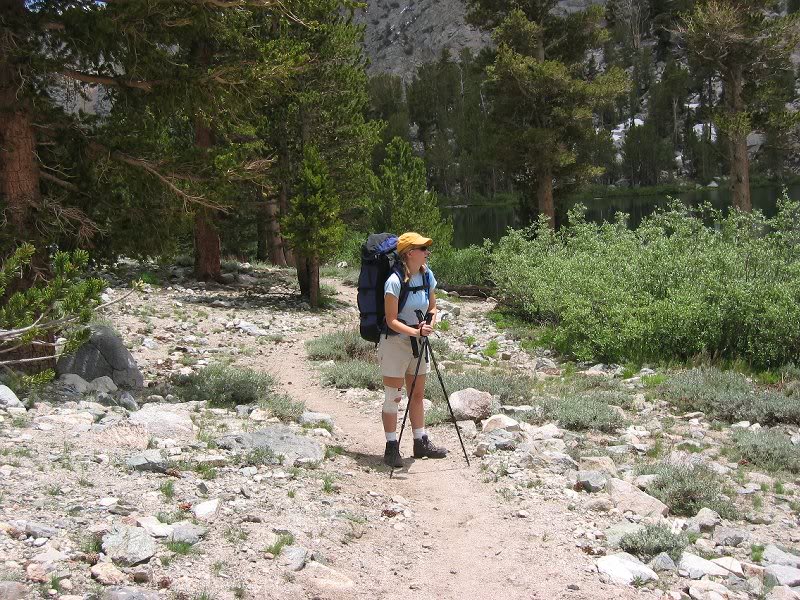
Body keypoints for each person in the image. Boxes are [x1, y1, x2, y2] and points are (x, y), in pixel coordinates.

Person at [379, 231, 448, 467]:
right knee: (394, 397)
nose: (427, 252)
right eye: (423, 248)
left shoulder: (427, 275)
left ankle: (420, 442)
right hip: (395, 344)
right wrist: (416, 332)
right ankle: (391, 447)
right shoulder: (394, 281)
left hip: (418, 342)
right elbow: (390, 320)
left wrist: (428, 325)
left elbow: (433, 307)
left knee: (417, 395)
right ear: (410, 253)